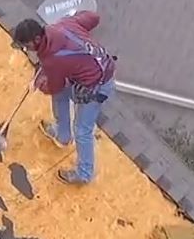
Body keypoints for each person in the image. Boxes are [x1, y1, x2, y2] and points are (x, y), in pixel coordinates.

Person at [14, 12, 117, 185]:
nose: (26, 49)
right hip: (102, 67)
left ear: (37, 39)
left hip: (98, 86)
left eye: (26, 45)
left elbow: (55, 86)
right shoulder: (62, 24)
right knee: (61, 95)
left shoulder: (53, 60)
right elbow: (94, 17)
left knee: (83, 130)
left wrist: (39, 84)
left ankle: (84, 175)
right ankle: (62, 135)